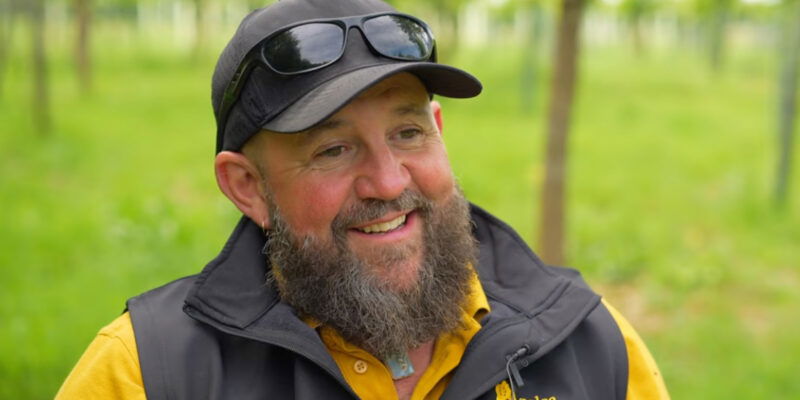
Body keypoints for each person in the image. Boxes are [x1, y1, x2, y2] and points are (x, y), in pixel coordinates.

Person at [57, 0, 669, 399]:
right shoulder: (148, 374)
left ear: (439, 130)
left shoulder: (590, 344)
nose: (390, 181)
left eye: (408, 134)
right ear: (248, 187)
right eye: (333, 150)